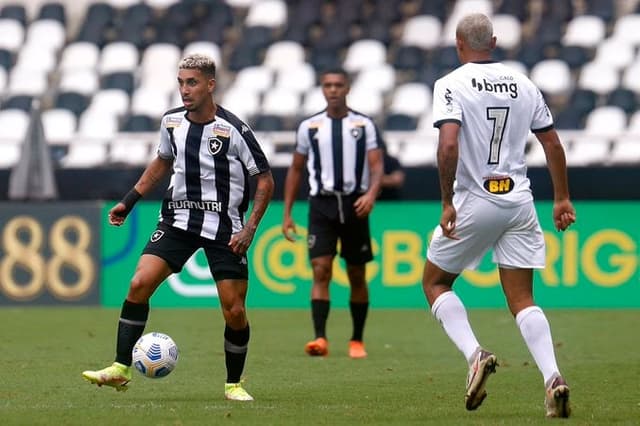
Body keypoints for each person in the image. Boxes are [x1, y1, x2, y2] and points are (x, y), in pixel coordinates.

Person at [82, 54, 274, 402]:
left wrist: (250, 229)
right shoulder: (171, 122)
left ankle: (233, 384)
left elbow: (264, 179)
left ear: (210, 84)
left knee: (234, 310)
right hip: (178, 220)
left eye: (192, 82)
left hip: (224, 227)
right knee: (139, 283)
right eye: (181, 82)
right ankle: (120, 368)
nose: (185, 90)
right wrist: (130, 200)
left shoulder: (233, 129)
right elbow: (162, 162)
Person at [421, 13, 575, 417]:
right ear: (493, 41)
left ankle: (475, 354)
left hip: (476, 197)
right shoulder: (524, 84)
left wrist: (446, 202)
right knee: (523, 298)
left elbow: (448, 146)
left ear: (459, 44)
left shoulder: (450, 84)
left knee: (435, 283)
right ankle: (552, 377)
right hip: (519, 201)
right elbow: (553, 144)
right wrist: (561, 198)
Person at [282, 68, 383, 359]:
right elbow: (296, 169)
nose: (333, 90)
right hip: (321, 206)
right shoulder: (309, 127)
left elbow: (377, 167)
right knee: (321, 270)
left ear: (348, 88)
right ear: (322, 89)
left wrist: (371, 194)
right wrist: (287, 213)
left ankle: (356, 340)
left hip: (355, 204)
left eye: (338, 85)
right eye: (328, 85)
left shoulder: (364, 125)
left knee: (356, 274)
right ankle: (320, 338)